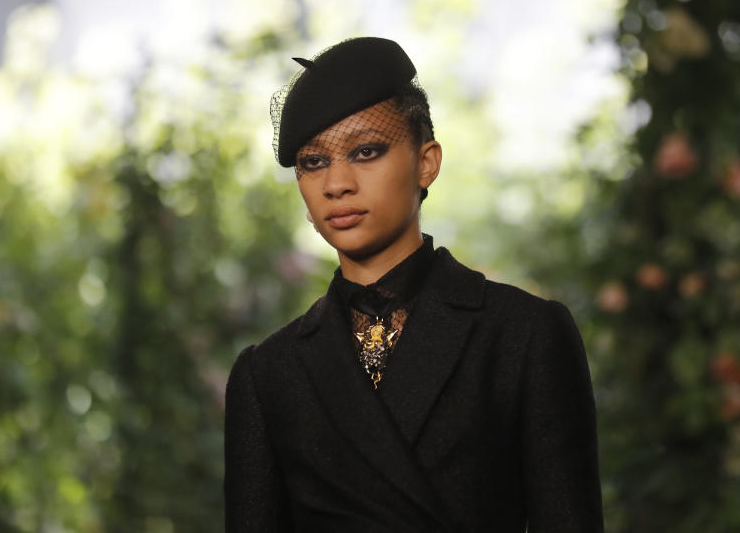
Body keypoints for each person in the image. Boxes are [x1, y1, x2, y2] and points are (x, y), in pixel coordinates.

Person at [224, 36, 603, 532]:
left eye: (366, 151)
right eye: (314, 162)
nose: (336, 184)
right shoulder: (267, 373)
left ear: (427, 162)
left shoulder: (524, 335)